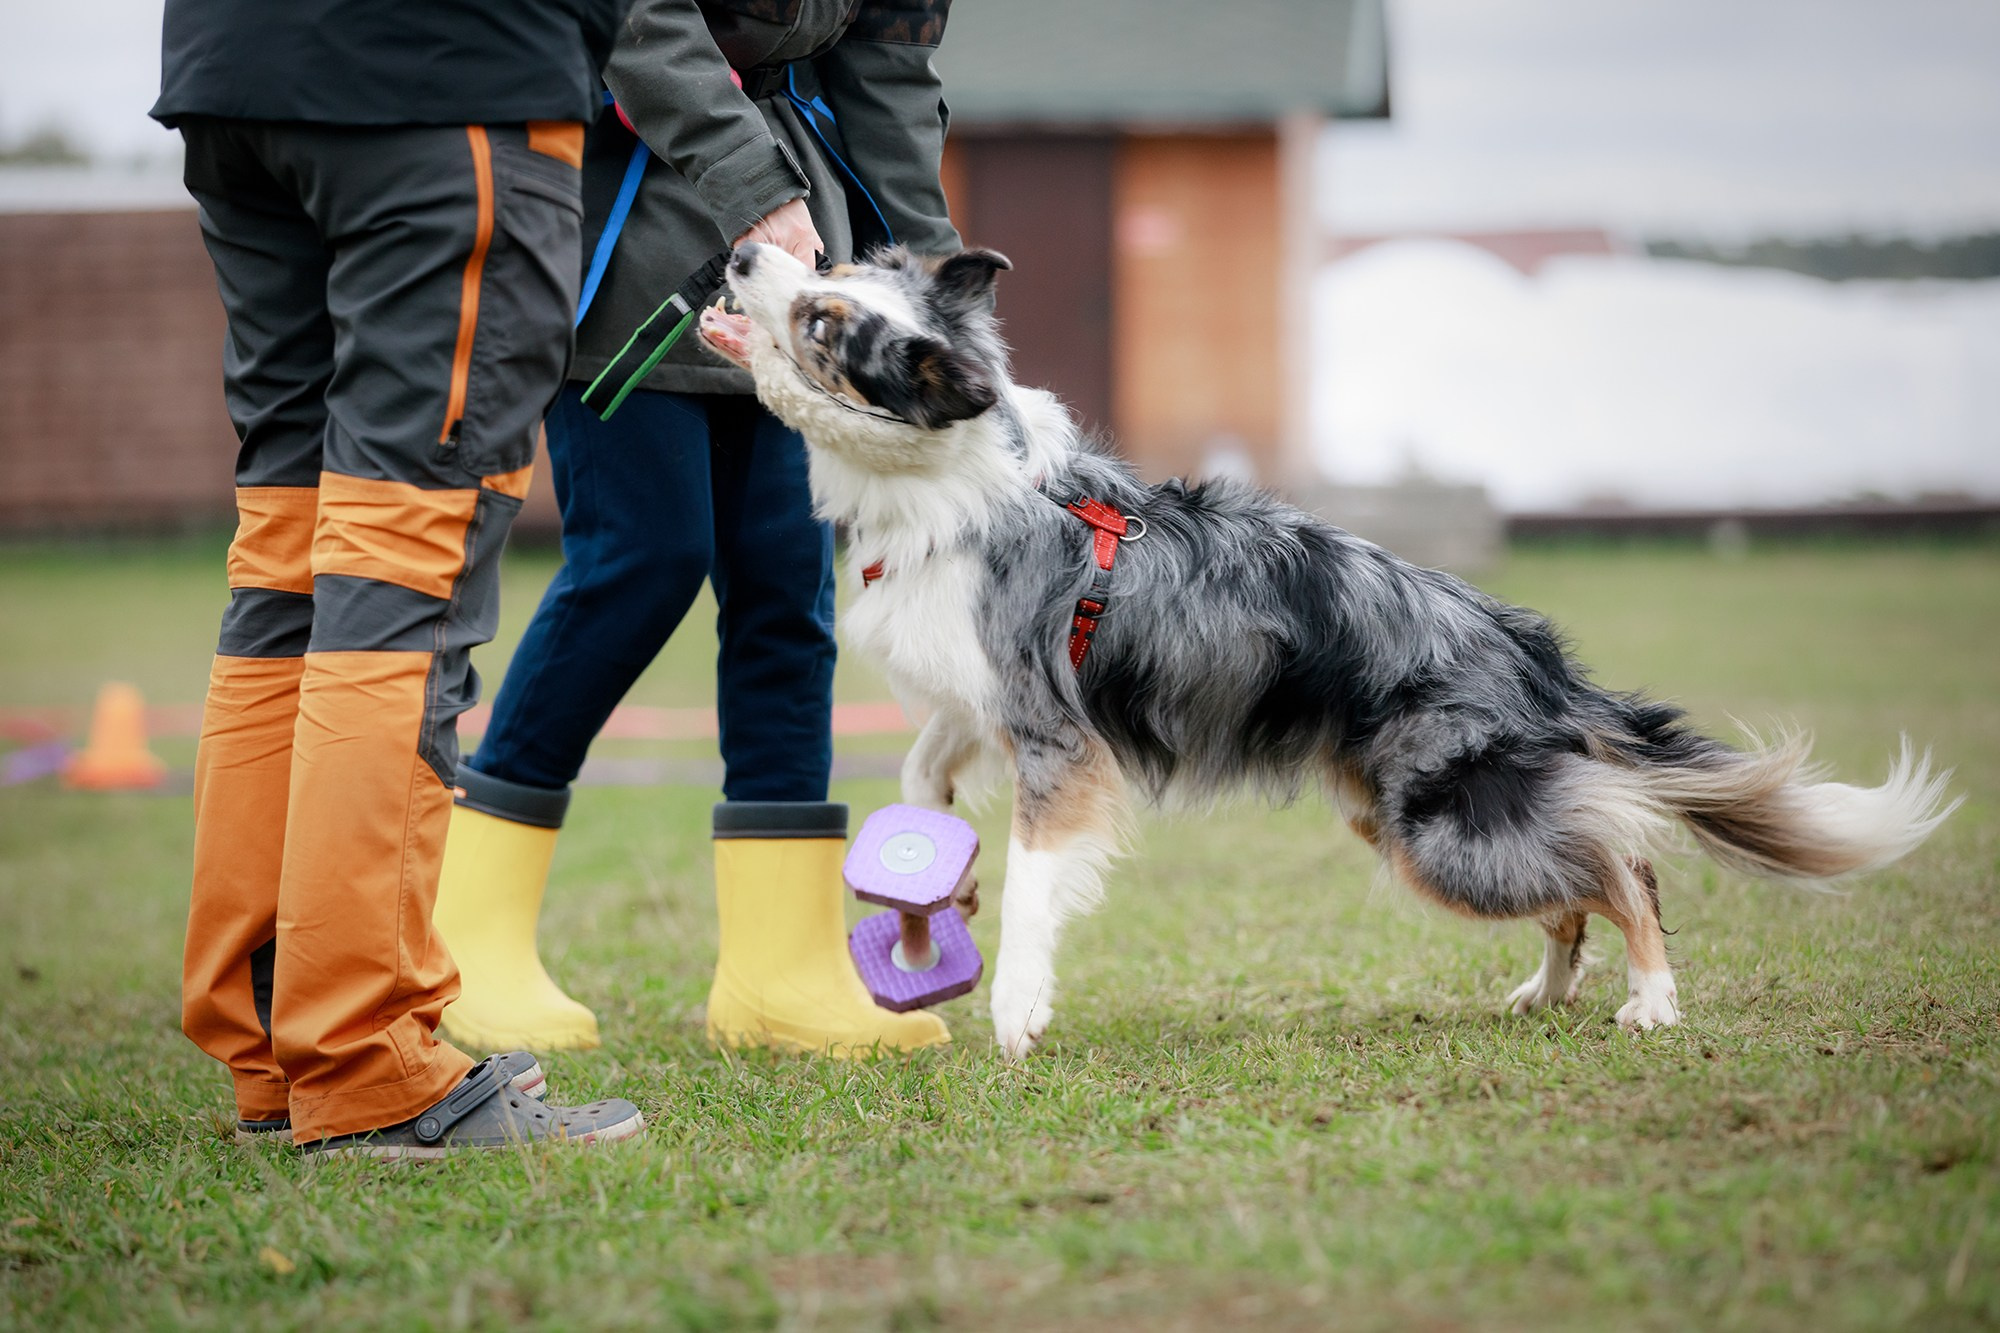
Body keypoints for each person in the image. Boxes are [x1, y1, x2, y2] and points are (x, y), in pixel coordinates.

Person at [158, 0, 644, 1155]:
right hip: (448, 76)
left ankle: (278, 1045)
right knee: (402, 562)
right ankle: (364, 1056)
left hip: (236, 68)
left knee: (286, 560)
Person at [430, 0, 962, 1057]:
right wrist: (753, 190)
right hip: (622, 222)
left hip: (801, 243)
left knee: (787, 585)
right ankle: (463, 934)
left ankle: (778, 967)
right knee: (642, 561)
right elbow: (640, 20)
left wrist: (934, 288)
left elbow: (889, 81)